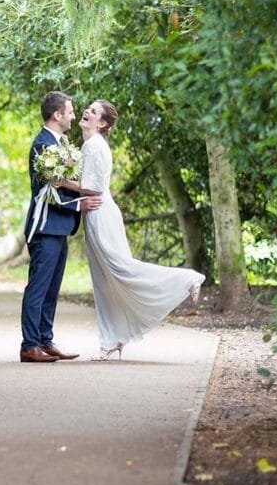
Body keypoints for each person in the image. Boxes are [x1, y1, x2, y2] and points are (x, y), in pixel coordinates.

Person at [58, 99, 205, 360]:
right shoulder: (91, 145)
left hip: (100, 212)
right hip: (97, 214)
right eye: (87, 109)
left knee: (121, 268)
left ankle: (187, 279)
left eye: (93, 112)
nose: (86, 112)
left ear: (102, 123)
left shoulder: (93, 146)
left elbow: (91, 188)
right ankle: (111, 339)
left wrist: (60, 182)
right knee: (104, 280)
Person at [19, 92, 102, 363]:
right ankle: (29, 345)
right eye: (70, 111)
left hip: (60, 228)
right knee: (39, 287)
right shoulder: (43, 146)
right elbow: (46, 192)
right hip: (44, 228)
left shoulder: (61, 143)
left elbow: (65, 182)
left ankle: (45, 339)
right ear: (57, 115)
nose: (73, 116)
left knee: (52, 288)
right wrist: (78, 205)